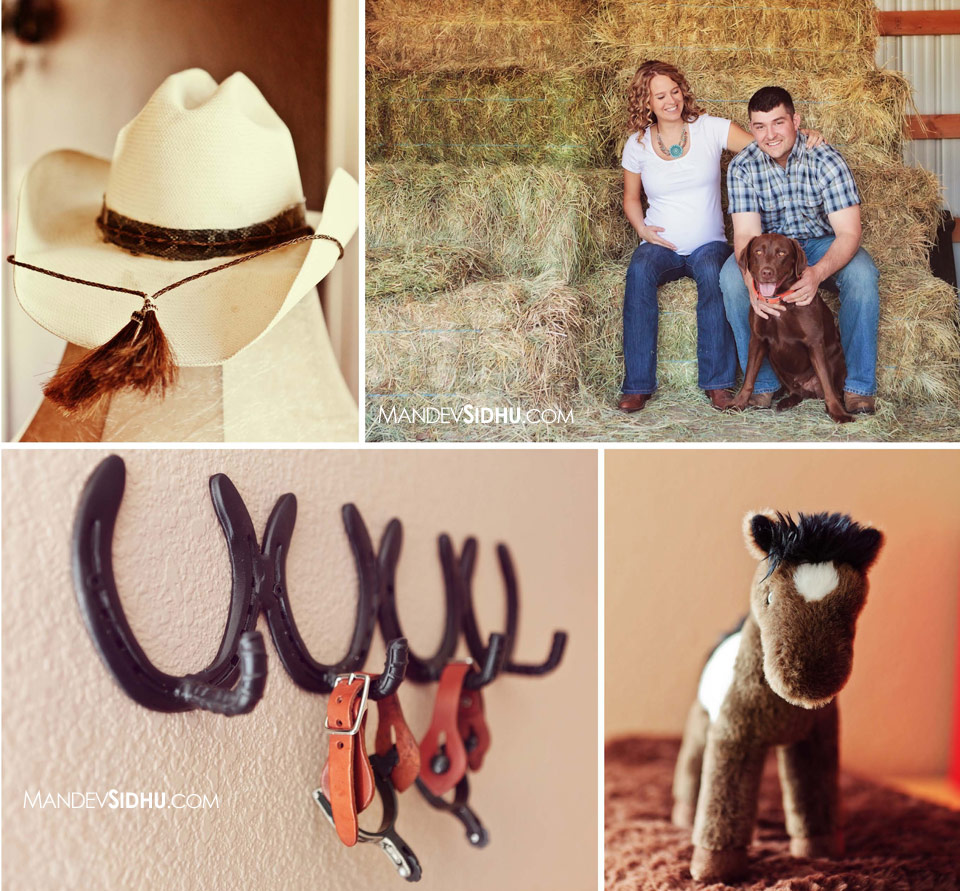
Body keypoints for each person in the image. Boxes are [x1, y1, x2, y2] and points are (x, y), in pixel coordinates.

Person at [618, 60, 824, 414]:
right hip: (660, 245)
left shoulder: (710, 129)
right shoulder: (636, 145)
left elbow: (766, 145)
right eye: (660, 96)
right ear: (646, 102)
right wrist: (642, 229)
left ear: (683, 92)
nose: (671, 101)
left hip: (708, 243)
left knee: (715, 275)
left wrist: (805, 139)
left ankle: (717, 384)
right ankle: (637, 386)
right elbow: (631, 198)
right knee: (638, 274)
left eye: (675, 91)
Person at [720, 86, 879, 415]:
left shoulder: (825, 158)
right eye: (760, 126)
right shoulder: (742, 167)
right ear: (751, 128)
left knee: (862, 275)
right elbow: (746, 237)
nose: (770, 134)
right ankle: (762, 387)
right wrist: (751, 282)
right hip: (769, 252)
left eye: (778, 123)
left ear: (796, 120)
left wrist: (816, 274)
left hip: (822, 243)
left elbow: (849, 232)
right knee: (730, 278)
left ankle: (857, 388)